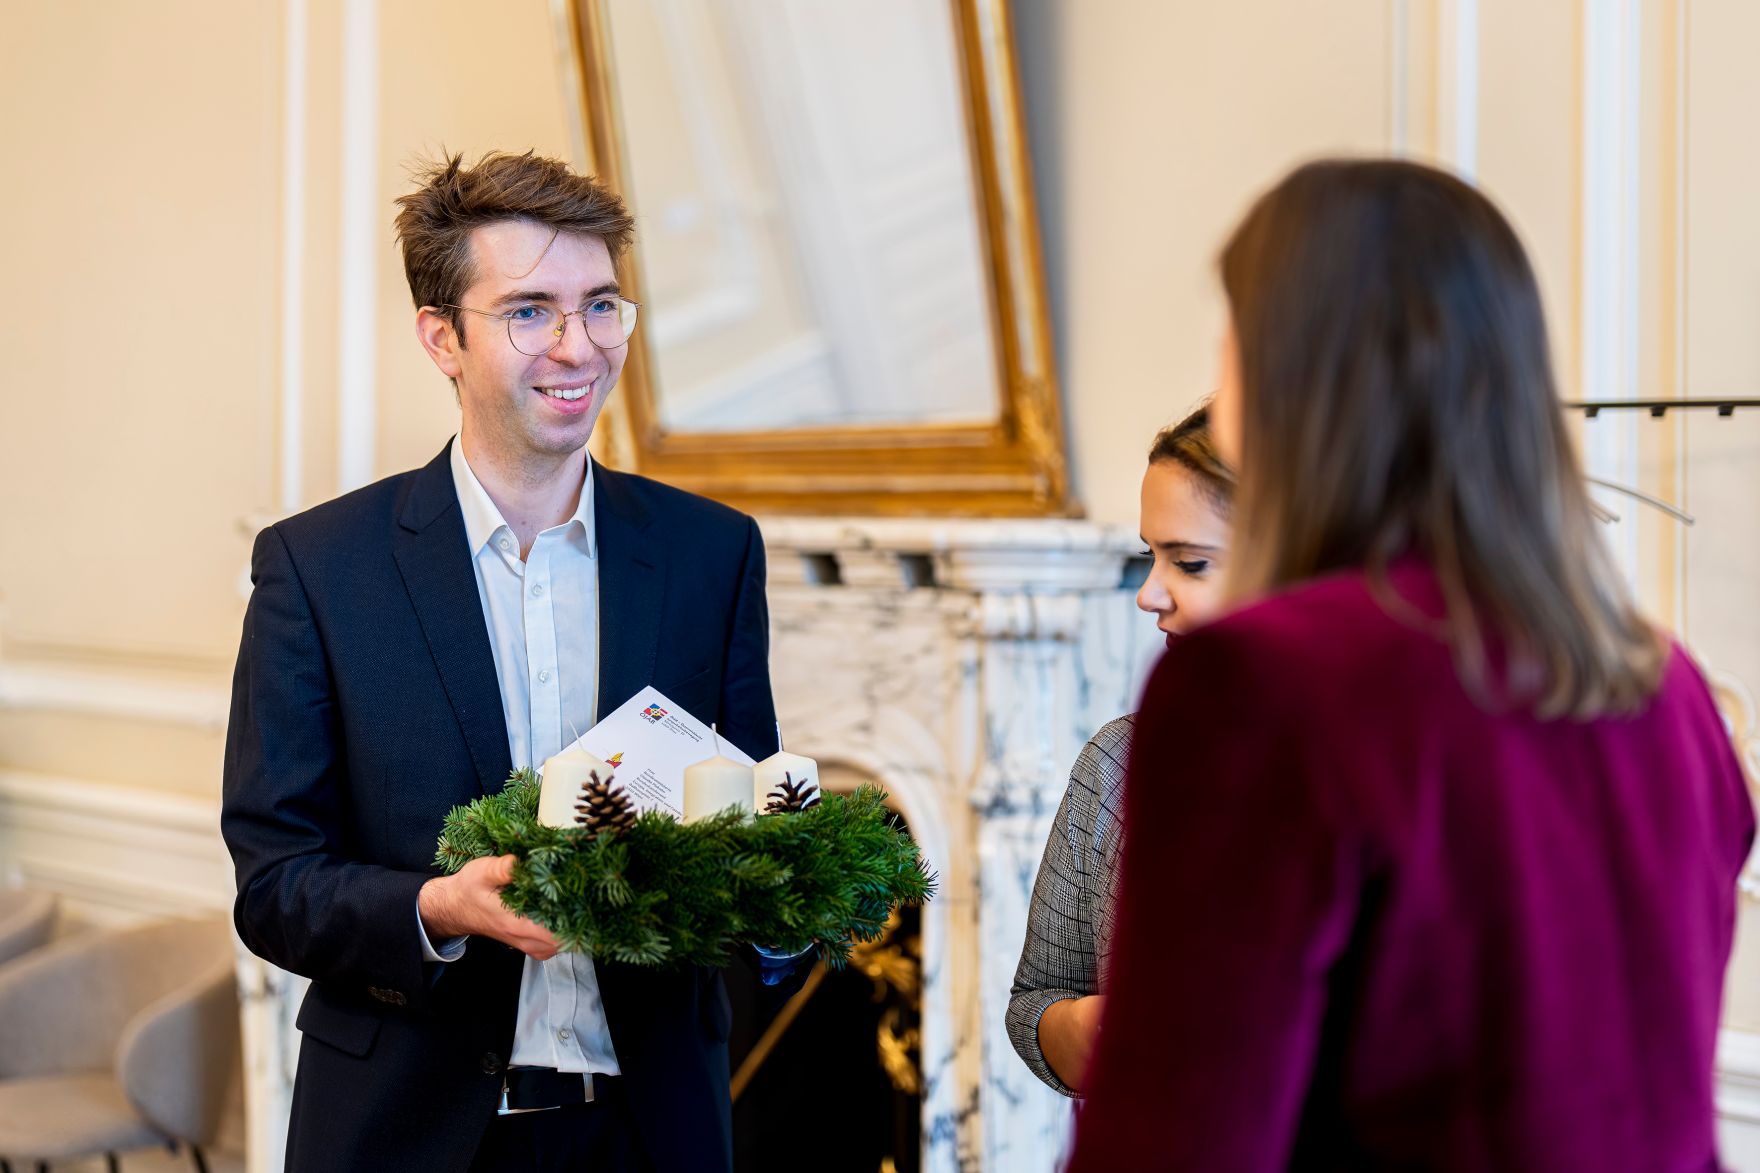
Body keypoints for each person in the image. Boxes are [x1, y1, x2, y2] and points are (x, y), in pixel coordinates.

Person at [1068, 159, 1756, 1171]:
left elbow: (1175, 1140)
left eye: (1231, 357)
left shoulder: (1261, 686)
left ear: (1290, 383)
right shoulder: (1668, 685)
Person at [222, 150, 801, 1173]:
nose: (578, 348)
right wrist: (435, 909)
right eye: (530, 311)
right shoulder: (318, 570)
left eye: (601, 305)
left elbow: (744, 826)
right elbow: (276, 885)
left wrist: (794, 898)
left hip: (651, 1129)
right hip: (406, 1130)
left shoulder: (714, 554)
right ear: (441, 336)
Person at [1006, 406, 1232, 1094]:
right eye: (1149, 555)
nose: (1148, 594)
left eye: (1190, 562)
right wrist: (1082, 1031)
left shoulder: (1392, 772)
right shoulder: (1117, 761)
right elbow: (1034, 1001)